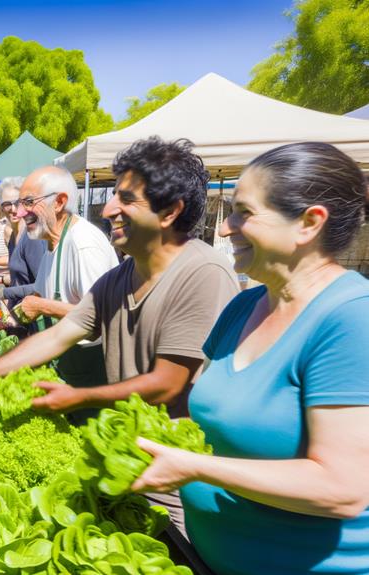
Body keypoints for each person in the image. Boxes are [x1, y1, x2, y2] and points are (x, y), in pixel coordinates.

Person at [0, 137, 239, 530]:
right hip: (124, 458)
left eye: (126, 199)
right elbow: (60, 334)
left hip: (180, 478)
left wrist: (77, 398)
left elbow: (169, 383)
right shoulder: (118, 278)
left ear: (170, 211)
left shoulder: (203, 273)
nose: (108, 209)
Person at [131, 142, 369, 575]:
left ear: (308, 223)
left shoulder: (351, 319)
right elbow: (216, 422)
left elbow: (343, 487)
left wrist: (192, 466)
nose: (224, 229)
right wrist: (142, 436)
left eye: (244, 213)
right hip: (206, 555)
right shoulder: (244, 307)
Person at [13, 166, 118, 391]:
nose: (20, 212)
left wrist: (42, 305)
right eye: (19, 204)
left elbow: (101, 317)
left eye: (29, 202)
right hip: (68, 368)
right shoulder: (51, 243)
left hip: (93, 375)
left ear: (59, 202)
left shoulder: (83, 244)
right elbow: (41, 293)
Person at [0, 177, 48, 319]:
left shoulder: (31, 238)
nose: (13, 209)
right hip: (18, 315)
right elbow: (22, 277)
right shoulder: (13, 237)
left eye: (17, 202)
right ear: (1, 207)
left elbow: (42, 286)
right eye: (7, 204)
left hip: (33, 319)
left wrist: (4, 293)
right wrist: (1, 279)